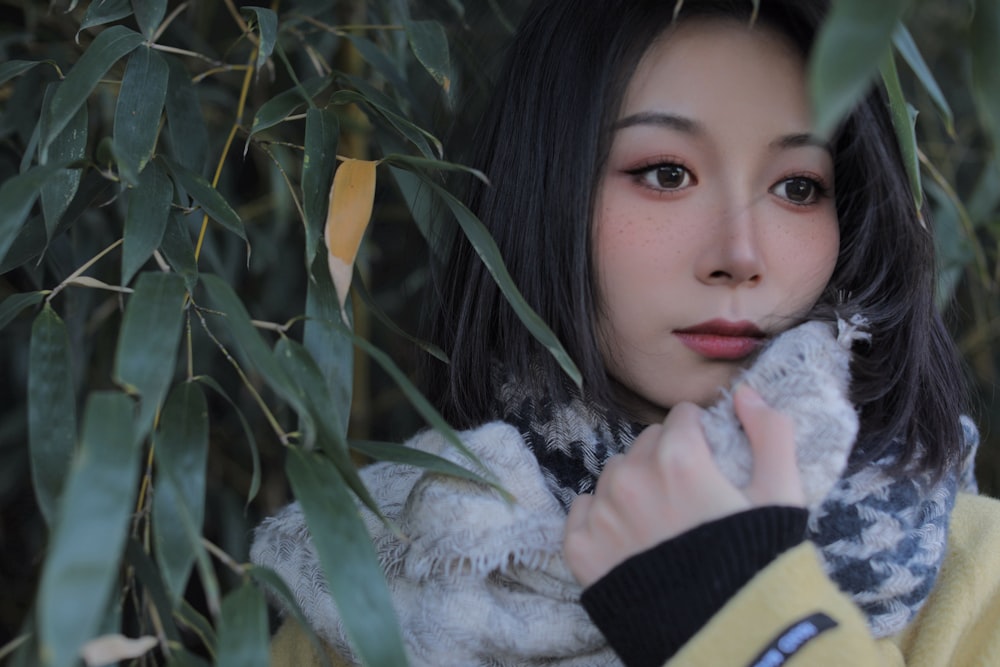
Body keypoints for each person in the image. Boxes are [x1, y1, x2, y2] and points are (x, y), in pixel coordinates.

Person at [252, 0, 1000, 665]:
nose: (740, 256)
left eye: (798, 186)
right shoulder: (380, 581)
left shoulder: (977, 578)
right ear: (545, 197)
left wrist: (748, 615)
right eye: (666, 173)